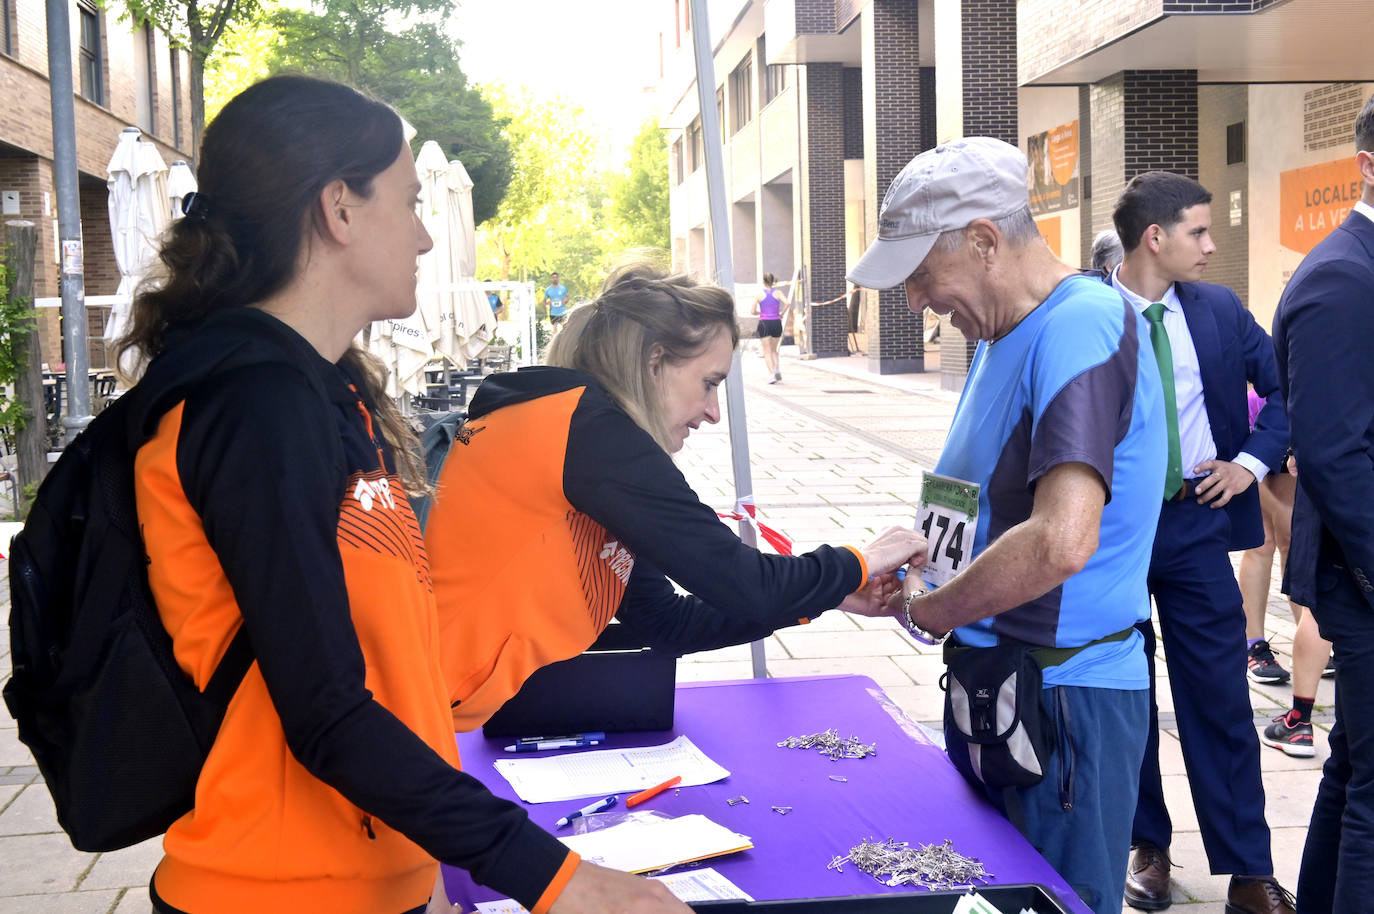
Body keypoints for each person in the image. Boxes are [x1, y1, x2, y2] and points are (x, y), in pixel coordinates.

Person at [117, 75, 683, 914]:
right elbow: (327, 710)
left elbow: (387, 665)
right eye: (412, 202)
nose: (425, 237)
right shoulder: (254, 408)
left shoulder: (327, 391)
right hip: (274, 891)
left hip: (372, 877)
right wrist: (558, 881)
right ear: (338, 209)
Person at [844, 136, 1165, 914]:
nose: (916, 300)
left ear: (985, 242)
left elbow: (1062, 539)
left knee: (1056, 903)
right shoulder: (1001, 333)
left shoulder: (1078, 324)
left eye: (923, 275)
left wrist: (931, 607)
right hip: (1002, 683)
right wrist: (913, 567)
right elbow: (979, 507)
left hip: (1063, 694)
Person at [1109, 171, 1294, 914]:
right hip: (1108, 530)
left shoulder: (1217, 308)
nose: (1213, 247)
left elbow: (1287, 387)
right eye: (1199, 232)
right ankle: (1146, 845)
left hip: (1193, 525)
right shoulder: (1084, 312)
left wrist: (1249, 463)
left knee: (1218, 696)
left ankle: (1249, 869)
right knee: (1124, 691)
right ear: (1155, 237)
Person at [1272, 91, 1374, 914]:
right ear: (1368, 166)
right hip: (1362, 575)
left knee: (1353, 768)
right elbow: (1336, 457)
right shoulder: (1341, 279)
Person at [1238, 388, 1295, 685]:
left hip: (1294, 441)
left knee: (1290, 543)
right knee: (1262, 544)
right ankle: (1253, 644)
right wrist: (1277, 509)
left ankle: (1314, 637)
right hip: (1255, 440)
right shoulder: (1257, 400)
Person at [750, 272, 789, 382]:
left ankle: (772, 374)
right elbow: (787, 303)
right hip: (776, 322)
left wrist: (759, 312)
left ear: (763, 281)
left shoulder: (759, 295)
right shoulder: (778, 293)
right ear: (773, 281)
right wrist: (781, 313)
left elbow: (752, 311)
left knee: (767, 351)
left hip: (764, 323)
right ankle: (777, 369)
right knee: (774, 350)